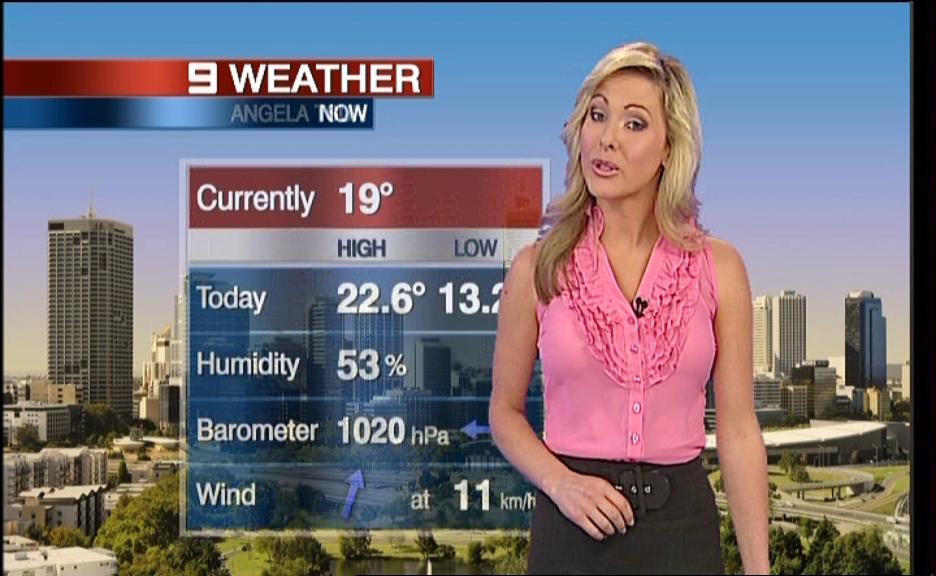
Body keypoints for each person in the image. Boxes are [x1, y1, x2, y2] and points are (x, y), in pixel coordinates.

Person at [490, 42, 770, 574]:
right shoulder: (536, 269)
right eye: (598, 115)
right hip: (571, 532)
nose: (607, 137)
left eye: (634, 123)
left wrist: (760, 570)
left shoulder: (720, 269)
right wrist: (560, 484)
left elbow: (738, 431)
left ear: (669, 148)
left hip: (682, 536)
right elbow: (504, 413)